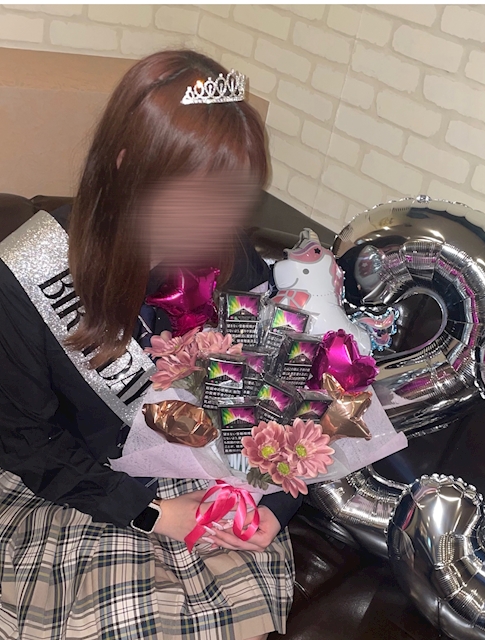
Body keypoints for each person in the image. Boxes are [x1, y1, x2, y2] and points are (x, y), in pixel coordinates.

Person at [0, 50, 302, 640]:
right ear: (125, 166)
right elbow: (28, 442)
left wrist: (274, 504)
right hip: (80, 487)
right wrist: (153, 514)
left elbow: (276, 380)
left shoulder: (227, 253)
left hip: (209, 471)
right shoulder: (27, 271)